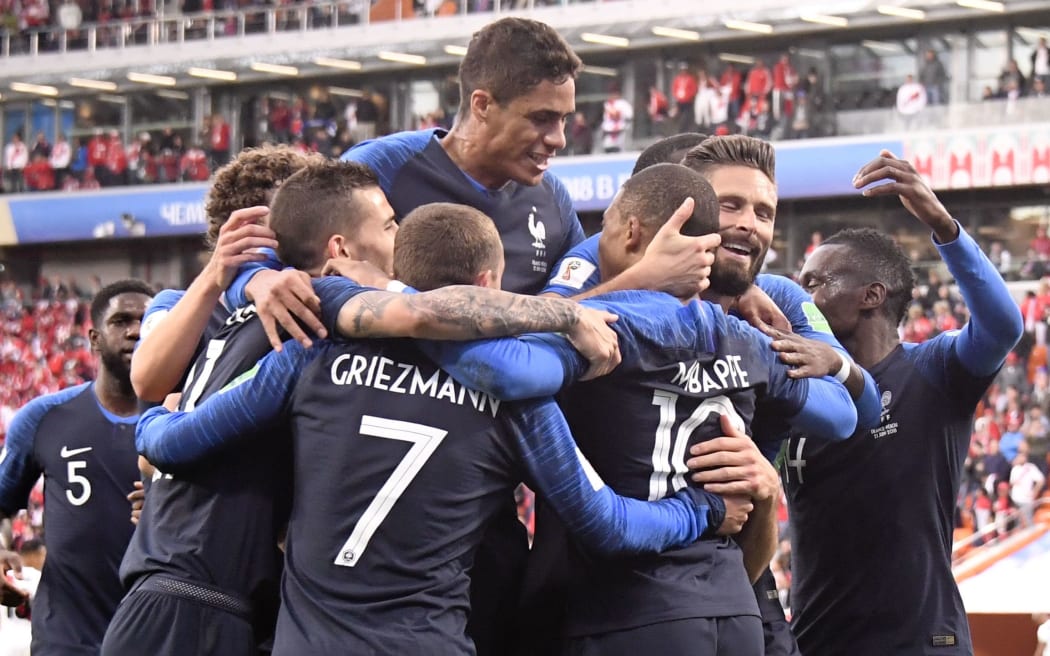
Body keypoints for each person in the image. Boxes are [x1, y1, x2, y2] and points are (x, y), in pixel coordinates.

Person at [133, 202, 741, 655]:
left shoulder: (312, 355)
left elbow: (178, 443)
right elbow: (606, 523)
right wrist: (702, 510)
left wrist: (159, 415)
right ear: (488, 288)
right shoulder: (514, 397)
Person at [432, 163, 861, 656]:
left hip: (624, 611)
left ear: (630, 230)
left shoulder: (608, 329)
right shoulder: (747, 339)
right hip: (733, 610)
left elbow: (507, 369)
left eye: (606, 229)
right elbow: (845, 415)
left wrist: (393, 304)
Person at [539, 133, 882, 656]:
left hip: (729, 576)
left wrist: (837, 365)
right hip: (605, 582)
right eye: (730, 205)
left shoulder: (777, 300)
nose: (748, 222)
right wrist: (641, 282)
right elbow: (533, 341)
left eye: (764, 211)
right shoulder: (601, 261)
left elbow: (848, 413)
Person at [784, 150, 1023, 656]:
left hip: (919, 642)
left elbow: (1003, 326)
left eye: (817, 282)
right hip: (815, 642)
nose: (801, 295)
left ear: (872, 295)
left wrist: (943, 225)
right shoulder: (797, 387)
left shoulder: (932, 370)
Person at [0, 280, 154, 655]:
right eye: (121, 321)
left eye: (148, 321)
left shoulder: (187, 420)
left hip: (155, 637)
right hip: (65, 639)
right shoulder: (44, 417)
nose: (135, 330)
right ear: (94, 339)